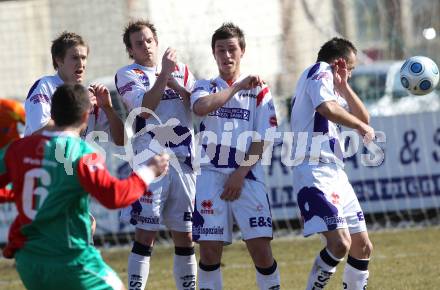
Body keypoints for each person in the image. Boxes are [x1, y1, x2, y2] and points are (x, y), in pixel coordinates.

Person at [0, 84, 169, 290]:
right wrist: (150, 170)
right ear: (85, 117)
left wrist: (13, 194)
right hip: (69, 259)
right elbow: (115, 196)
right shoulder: (81, 153)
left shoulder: (17, 149)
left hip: (28, 261)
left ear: (52, 113)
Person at [190, 23, 281, 290]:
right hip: (209, 176)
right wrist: (237, 86)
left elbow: (263, 137)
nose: (227, 56)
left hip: (247, 176)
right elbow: (200, 107)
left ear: (242, 51)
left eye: (232, 49)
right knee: (208, 252)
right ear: (213, 53)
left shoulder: (259, 90)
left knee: (261, 251)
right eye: (221, 50)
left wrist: (240, 174)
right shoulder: (204, 85)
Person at [115, 20, 197, 290]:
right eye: (138, 43)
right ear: (131, 50)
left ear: (157, 41)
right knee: (146, 234)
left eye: (149, 40)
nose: (146, 46)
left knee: (185, 236)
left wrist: (175, 81)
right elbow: (144, 107)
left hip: (184, 161)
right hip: (151, 163)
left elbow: (195, 108)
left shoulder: (182, 70)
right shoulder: (128, 75)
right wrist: (163, 76)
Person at [290, 37, 374, 289]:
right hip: (313, 170)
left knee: (362, 246)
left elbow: (364, 117)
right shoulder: (319, 71)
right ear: (339, 62)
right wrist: (359, 126)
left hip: (335, 172)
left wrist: (345, 86)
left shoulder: (332, 83)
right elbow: (327, 109)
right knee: (340, 243)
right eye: (351, 67)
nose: (351, 72)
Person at [24, 31, 125, 145]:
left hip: (71, 161)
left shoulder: (88, 96)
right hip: (43, 160)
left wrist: (108, 108)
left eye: (83, 58)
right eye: (75, 58)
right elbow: (38, 133)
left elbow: (122, 141)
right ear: (59, 60)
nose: (81, 64)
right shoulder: (45, 86)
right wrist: (78, 111)